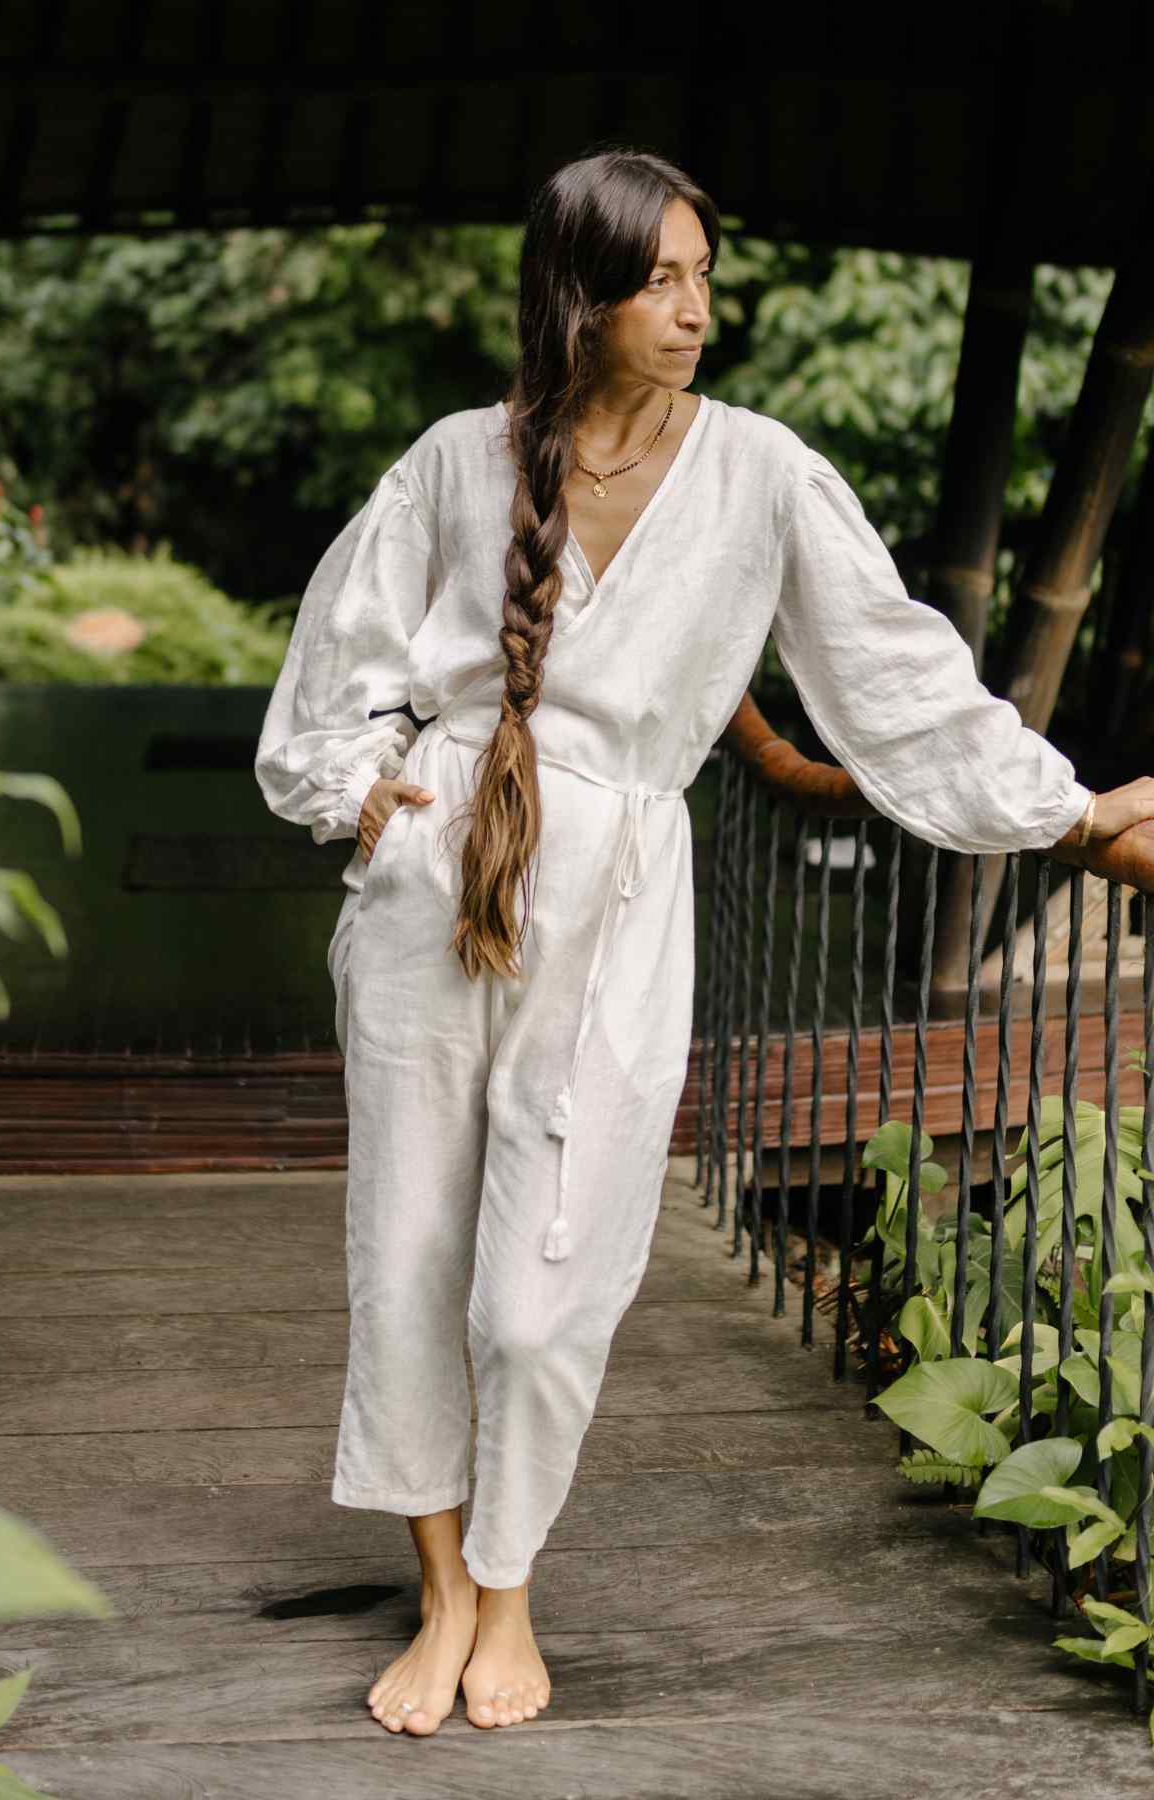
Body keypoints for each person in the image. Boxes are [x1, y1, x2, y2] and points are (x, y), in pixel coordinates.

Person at [254, 146, 1153, 1737]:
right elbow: (341, 667)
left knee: (543, 1288)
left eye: (703, 275)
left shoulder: (761, 476)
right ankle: (448, 1591)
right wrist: (375, 801)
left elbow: (894, 684)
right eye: (660, 278)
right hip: (432, 889)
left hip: (612, 895)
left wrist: (1068, 813)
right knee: (406, 1255)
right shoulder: (463, 462)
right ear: (579, 297)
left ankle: (512, 1578)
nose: (695, 309)